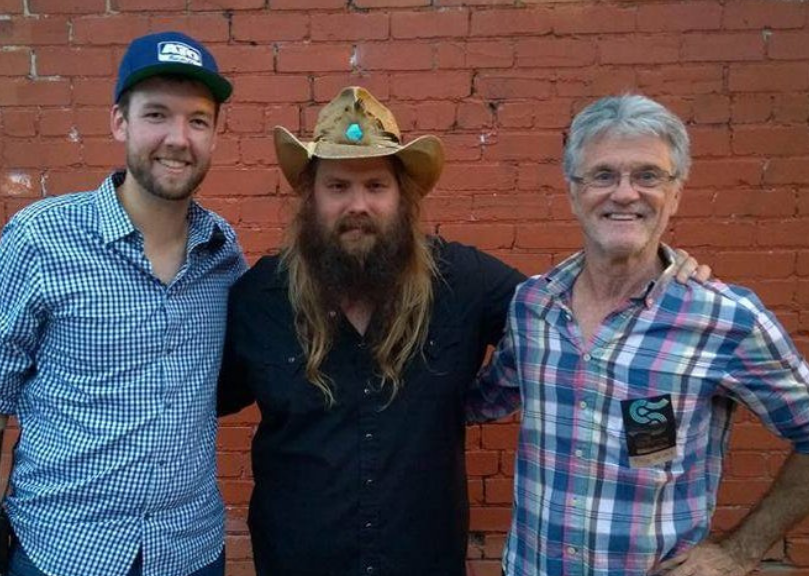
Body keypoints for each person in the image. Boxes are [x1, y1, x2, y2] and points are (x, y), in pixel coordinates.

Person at [216, 87, 707, 576]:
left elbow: (569, 315)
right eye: (338, 186)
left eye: (376, 186)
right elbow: (195, 400)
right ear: (311, 197)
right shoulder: (260, 298)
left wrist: (652, 268)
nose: (357, 205)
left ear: (403, 197)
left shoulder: (463, 281)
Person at [466, 94, 809, 576]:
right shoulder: (534, 307)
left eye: (648, 175)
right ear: (573, 193)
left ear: (675, 194)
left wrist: (739, 552)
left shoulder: (723, 318)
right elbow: (481, 400)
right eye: (602, 175)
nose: (624, 193)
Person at [0, 31, 246, 576]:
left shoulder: (223, 254)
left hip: (190, 551)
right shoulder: (40, 240)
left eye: (198, 120)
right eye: (156, 114)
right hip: (63, 550)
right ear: (119, 122)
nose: (178, 138)